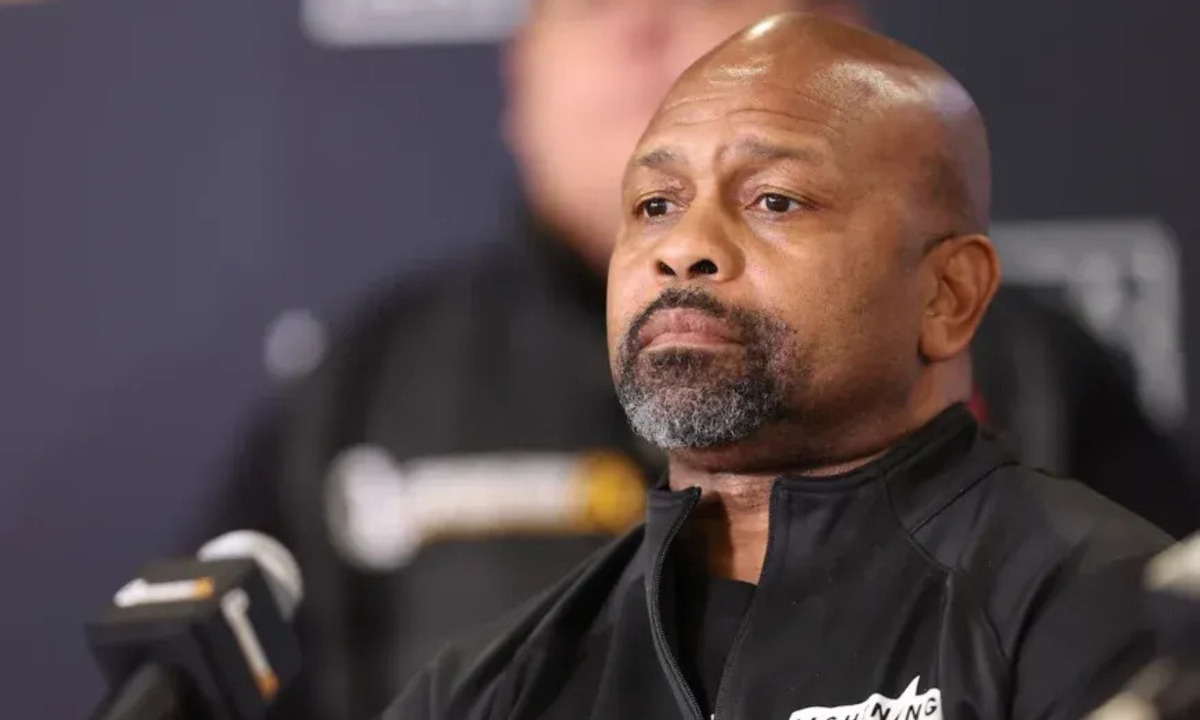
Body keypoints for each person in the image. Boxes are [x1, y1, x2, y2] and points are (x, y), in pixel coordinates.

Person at [209, 1, 1194, 719]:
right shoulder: (488, 681)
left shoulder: (1113, 612)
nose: (685, 247)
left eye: (774, 200)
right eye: (653, 205)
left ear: (948, 297)